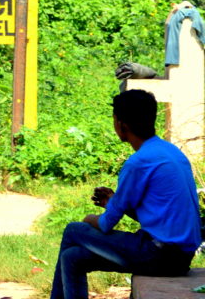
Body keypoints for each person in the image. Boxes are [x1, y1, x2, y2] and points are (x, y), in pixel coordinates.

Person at [49, 89, 200, 299]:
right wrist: (112, 201)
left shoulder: (138, 163)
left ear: (121, 125)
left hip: (158, 255)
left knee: (74, 230)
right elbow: (157, 217)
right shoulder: (171, 152)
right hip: (181, 257)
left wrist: (89, 219)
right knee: (73, 257)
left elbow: (105, 224)